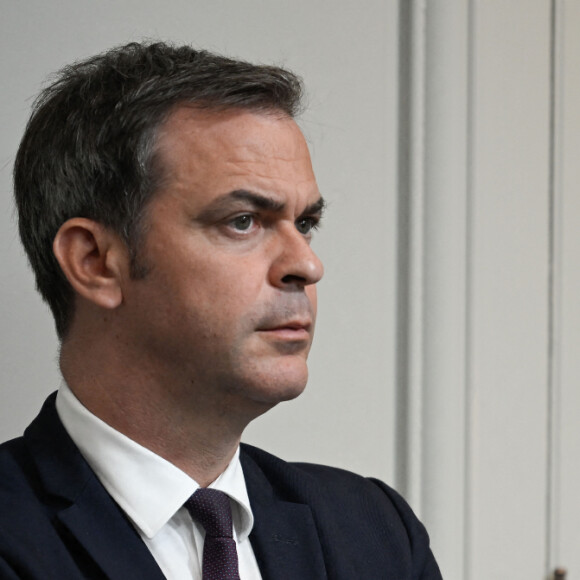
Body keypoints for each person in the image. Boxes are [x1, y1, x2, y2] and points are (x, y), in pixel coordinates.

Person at [0, 41, 442, 579]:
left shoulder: (375, 531)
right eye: (243, 221)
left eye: (305, 223)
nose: (306, 263)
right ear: (95, 261)